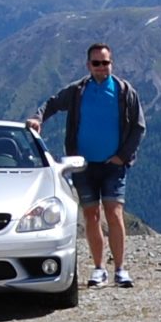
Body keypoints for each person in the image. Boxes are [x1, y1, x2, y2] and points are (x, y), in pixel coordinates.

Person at [29, 44, 145, 288]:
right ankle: (99, 268)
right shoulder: (77, 91)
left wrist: (123, 156)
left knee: (114, 213)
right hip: (82, 165)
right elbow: (52, 103)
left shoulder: (124, 91)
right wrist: (38, 118)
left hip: (114, 165)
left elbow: (138, 126)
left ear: (112, 64)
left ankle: (121, 269)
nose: (101, 67)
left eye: (105, 63)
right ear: (88, 65)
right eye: (96, 63)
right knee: (91, 216)